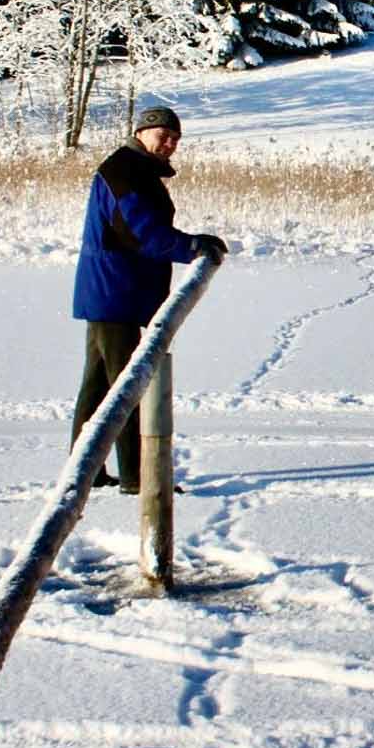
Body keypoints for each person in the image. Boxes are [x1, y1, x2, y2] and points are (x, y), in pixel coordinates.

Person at [69, 104, 226, 494]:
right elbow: (143, 233)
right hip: (116, 291)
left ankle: (82, 470)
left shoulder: (131, 169)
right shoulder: (124, 172)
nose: (170, 143)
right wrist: (191, 245)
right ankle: (138, 477)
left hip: (112, 292)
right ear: (141, 132)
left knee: (100, 385)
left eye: (175, 138)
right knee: (128, 385)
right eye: (162, 135)